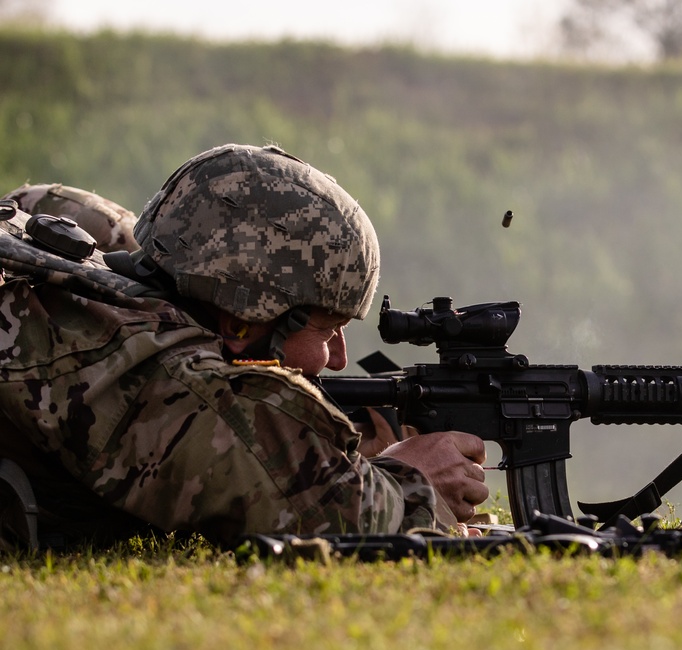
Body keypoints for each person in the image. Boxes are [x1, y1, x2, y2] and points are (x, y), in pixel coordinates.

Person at [0, 143, 489, 546]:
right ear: (241, 319)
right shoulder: (157, 370)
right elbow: (342, 515)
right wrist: (412, 478)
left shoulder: (82, 267)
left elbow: (41, 197)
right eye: (324, 329)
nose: (338, 359)